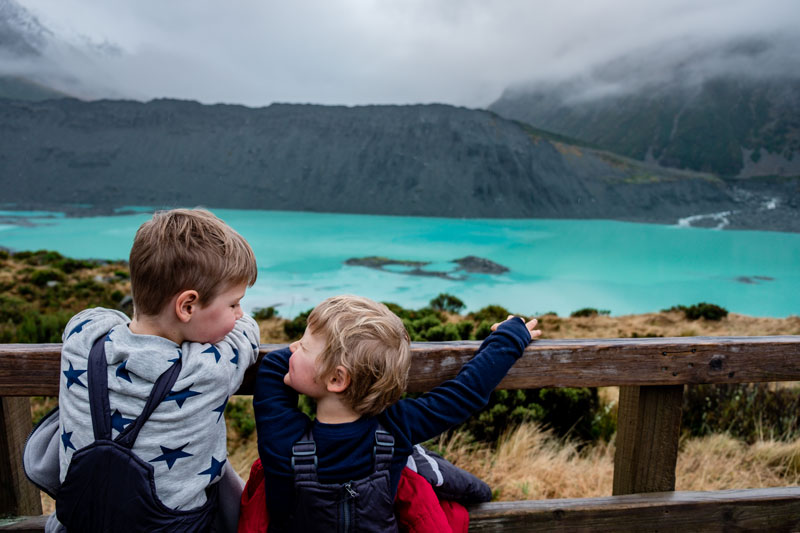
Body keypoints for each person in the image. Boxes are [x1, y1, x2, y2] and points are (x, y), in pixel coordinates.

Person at [253, 294, 540, 532]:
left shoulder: (281, 439)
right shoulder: (396, 427)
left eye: (302, 346)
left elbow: (273, 367)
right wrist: (509, 338)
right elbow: (466, 393)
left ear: (337, 379)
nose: (291, 348)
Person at [54, 208, 260, 532]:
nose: (239, 313)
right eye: (234, 303)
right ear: (187, 306)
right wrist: (236, 323)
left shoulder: (85, 340)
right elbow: (245, 334)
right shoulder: (208, 368)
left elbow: (93, 316)